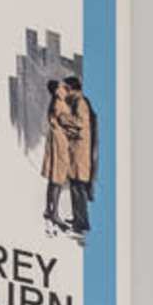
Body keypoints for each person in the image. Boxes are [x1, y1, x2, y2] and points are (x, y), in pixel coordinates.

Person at [43, 74, 99, 235]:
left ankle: (81, 223)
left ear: (71, 88)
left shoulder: (80, 102)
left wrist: (63, 118)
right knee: (75, 186)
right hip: (75, 150)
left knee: (78, 187)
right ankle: (78, 220)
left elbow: (80, 123)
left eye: (66, 88)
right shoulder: (70, 101)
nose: (65, 91)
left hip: (80, 151)